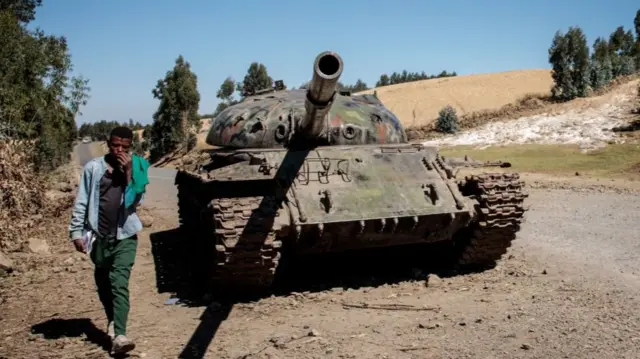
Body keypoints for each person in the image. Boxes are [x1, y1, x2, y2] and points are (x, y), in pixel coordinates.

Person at [68, 126, 149, 354]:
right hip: (98, 236)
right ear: (108, 143)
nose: (119, 149)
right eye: (115, 145)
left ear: (131, 146)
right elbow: (82, 201)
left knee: (119, 282)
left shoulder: (139, 166)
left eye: (124, 146)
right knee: (103, 283)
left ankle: (120, 335)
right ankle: (113, 321)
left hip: (125, 236)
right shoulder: (94, 168)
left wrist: (129, 172)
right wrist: (76, 232)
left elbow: (137, 201)